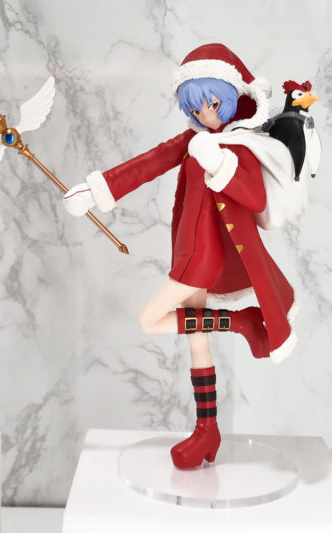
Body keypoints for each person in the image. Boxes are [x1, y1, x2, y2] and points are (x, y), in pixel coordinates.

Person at [63, 43, 298, 469]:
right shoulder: (194, 140)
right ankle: (207, 428)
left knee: (149, 320)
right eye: (196, 108)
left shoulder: (239, 146)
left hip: (202, 260)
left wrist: (220, 165)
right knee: (196, 339)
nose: (207, 115)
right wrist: (97, 190)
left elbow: (255, 196)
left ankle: (242, 323)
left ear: (231, 96)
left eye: (213, 104)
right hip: (187, 252)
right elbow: (151, 161)